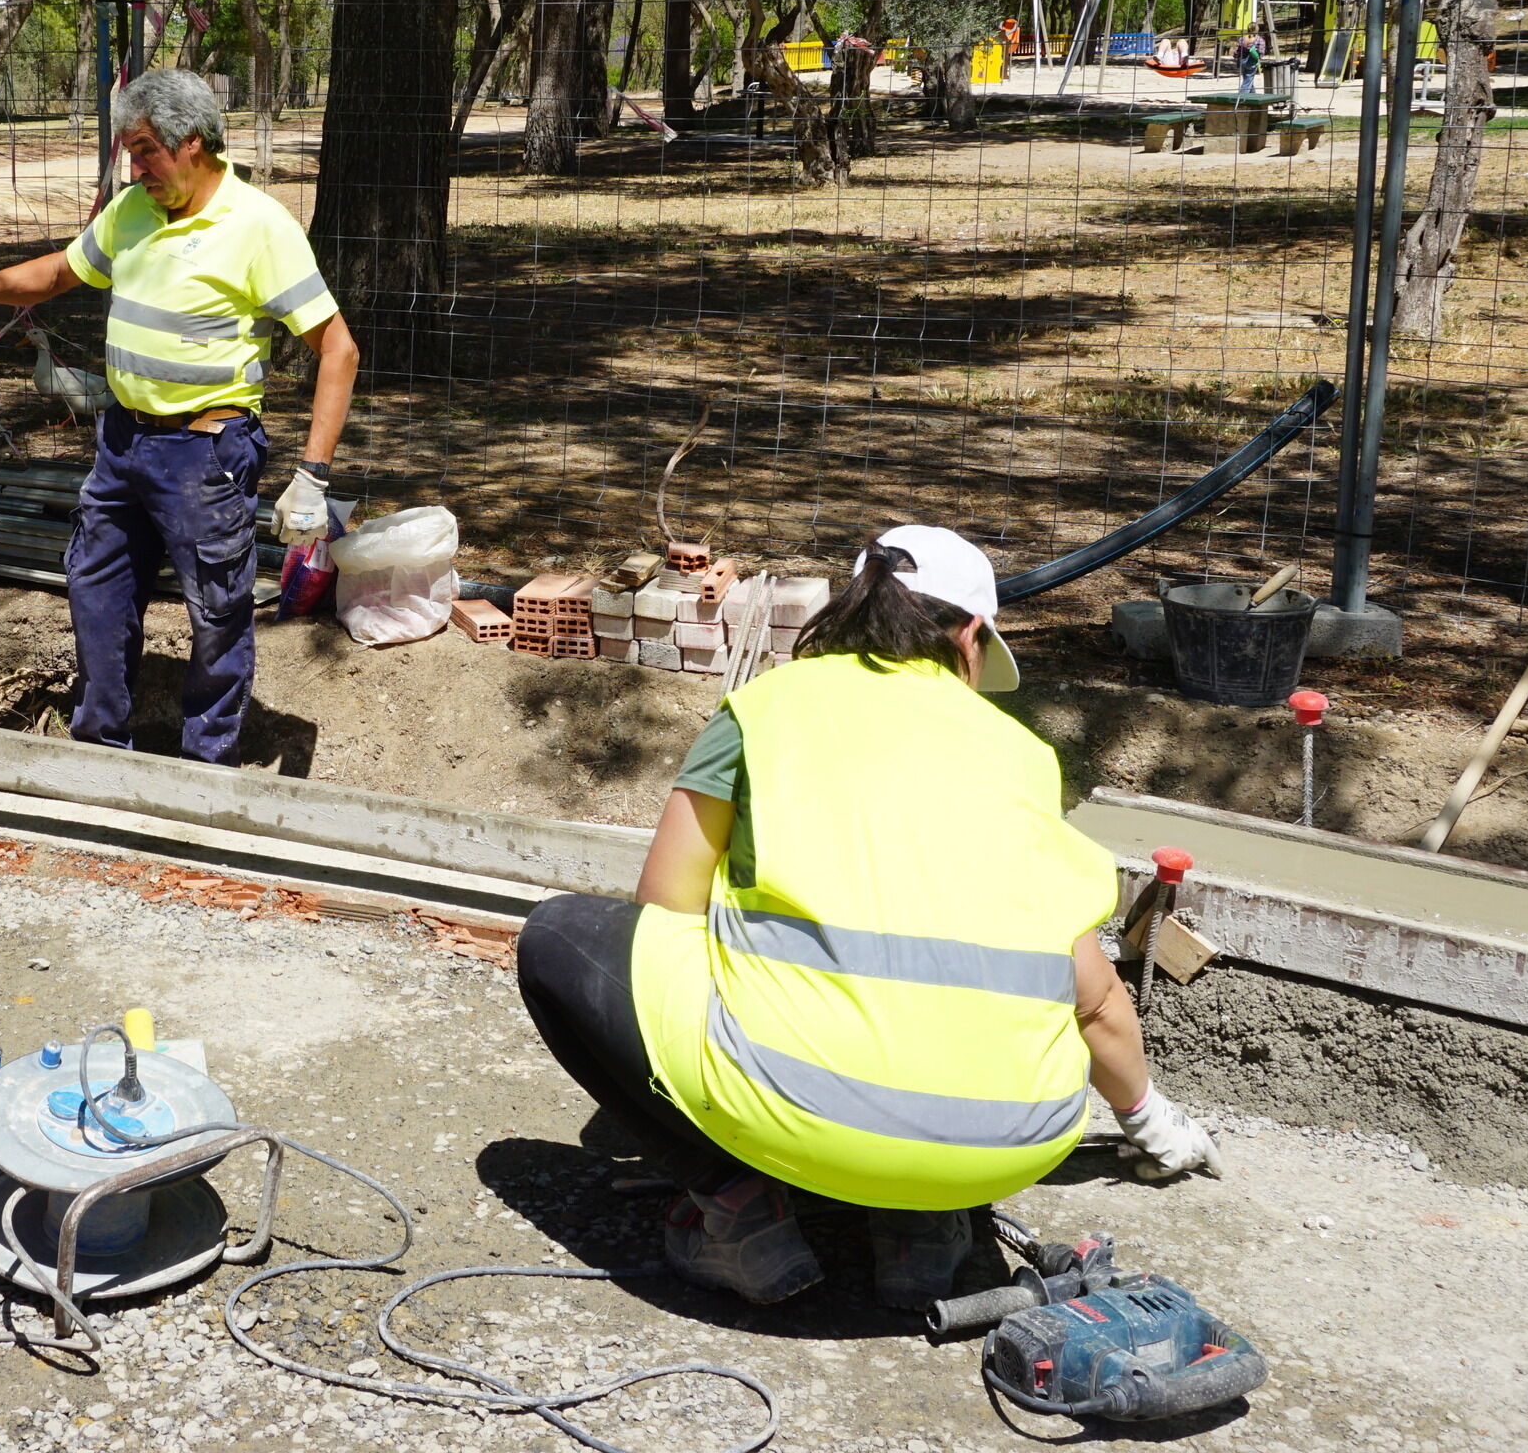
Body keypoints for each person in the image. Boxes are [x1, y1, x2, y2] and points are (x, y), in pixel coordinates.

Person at [512, 525, 1217, 1312]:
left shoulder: (765, 710)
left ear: (853, 608)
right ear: (972, 637)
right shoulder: (1020, 756)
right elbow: (1095, 998)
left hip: (791, 1121)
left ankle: (740, 1214)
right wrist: (1152, 1122)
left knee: (559, 938)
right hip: (1010, 1145)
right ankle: (927, 1225)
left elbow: (664, 913)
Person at [0, 69, 359, 765]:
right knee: (97, 589)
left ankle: (207, 767)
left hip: (206, 453)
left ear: (192, 141)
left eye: (145, 151)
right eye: (129, 152)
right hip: (122, 442)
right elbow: (63, 270)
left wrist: (313, 475)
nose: (134, 168)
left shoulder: (260, 226)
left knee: (217, 610)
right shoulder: (133, 209)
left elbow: (339, 348)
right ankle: (99, 749)